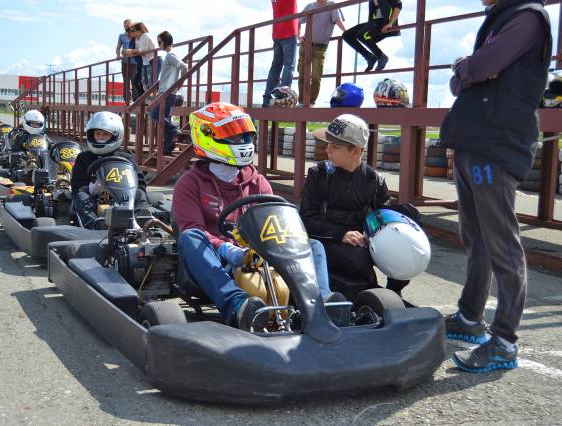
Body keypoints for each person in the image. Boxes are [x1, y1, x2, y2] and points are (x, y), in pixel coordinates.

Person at [440, 0, 552, 372]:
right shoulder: (502, 18)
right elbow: (462, 82)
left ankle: (504, 342)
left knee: (502, 245)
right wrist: (470, 71)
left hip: (496, 145)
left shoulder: (527, 18)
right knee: (476, 238)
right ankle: (470, 317)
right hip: (475, 141)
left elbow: (479, 67)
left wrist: (468, 67)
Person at [173, 102, 346, 331]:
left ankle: (319, 304)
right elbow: (192, 228)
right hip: (219, 260)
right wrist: (228, 250)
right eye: (234, 137)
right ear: (207, 138)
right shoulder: (189, 183)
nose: (243, 142)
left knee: (313, 246)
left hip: (262, 253)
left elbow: (276, 224)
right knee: (190, 238)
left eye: (245, 135)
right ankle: (238, 305)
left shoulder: (258, 182)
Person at [300, 114, 409, 296]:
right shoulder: (317, 174)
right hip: (324, 242)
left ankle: (392, 294)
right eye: (327, 144)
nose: (327, 150)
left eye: (335, 146)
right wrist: (341, 235)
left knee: (406, 252)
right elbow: (306, 221)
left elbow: (384, 223)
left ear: (356, 151)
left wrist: (375, 237)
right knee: (359, 259)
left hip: (361, 245)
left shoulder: (374, 181)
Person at [71, 111, 149, 229]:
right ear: (91, 134)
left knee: (139, 193)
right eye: (98, 133)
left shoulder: (126, 157)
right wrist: (91, 189)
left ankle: (141, 219)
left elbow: (140, 182)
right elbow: (77, 185)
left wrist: (132, 190)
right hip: (93, 197)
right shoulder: (84, 158)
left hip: (123, 195)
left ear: (115, 136)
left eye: (105, 134)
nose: (100, 137)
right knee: (81, 196)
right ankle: (93, 224)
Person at [296, 0, 346, 106]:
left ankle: (310, 102)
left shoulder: (332, 5)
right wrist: (298, 35)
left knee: (316, 76)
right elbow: (298, 21)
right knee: (302, 75)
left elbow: (337, 20)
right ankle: (301, 102)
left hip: (320, 48)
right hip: (305, 45)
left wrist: (346, 32)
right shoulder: (310, 6)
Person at [150, 31, 187, 155]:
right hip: (167, 92)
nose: (158, 44)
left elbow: (184, 67)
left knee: (154, 115)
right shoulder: (171, 55)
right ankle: (167, 149)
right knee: (164, 119)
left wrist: (180, 83)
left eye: (159, 42)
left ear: (165, 41)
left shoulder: (170, 55)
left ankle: (174, 130)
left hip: (167, 93)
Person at [341, 0, 402, 72]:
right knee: (346, 35)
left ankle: (381, 56)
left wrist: (390, 23)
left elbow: (398, 5)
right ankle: (369, 57)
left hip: (384, 22)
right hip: (374, 22)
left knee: (361, 34)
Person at [261, 0, 299, 107]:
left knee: (275, 68)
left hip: (277, 33)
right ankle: (283, 98)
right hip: (289, 31)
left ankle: (267, 99)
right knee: (289, 66)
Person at [130, 23, 158, 91]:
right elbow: (140, 51)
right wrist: (134, 52)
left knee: (151, 83)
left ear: (140, 30)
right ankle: (148, 96)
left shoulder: (144, 36)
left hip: (153, 59)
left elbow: (143, 50)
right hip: (146, 61)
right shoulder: (139, 39)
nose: (132, 32)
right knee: (146, 84)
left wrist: (132, 52)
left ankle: (159, 95)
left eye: (134, 30)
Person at [116, 19, 134, 103]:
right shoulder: (121, 36)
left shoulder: (135, 35)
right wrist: (118, 55)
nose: (126, 27)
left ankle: (136, 100)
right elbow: (118, 48)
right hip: (125, 61)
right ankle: (127, 100)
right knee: (126, 81)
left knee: (135, 81)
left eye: (128, 26)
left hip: (135, 61)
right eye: (125, 26)